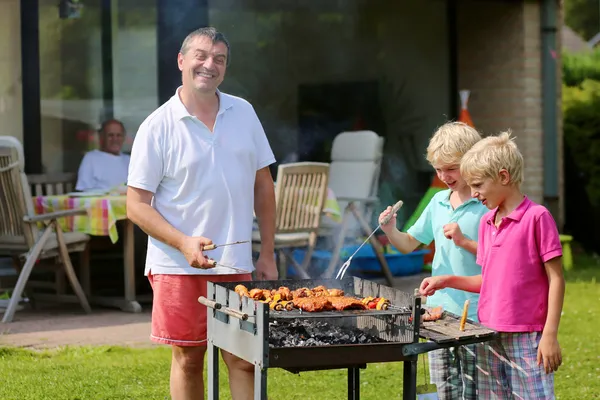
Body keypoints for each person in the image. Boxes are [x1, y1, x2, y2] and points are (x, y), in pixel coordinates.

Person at [126, 27, 277, 400]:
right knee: (190, 359)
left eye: (219, 59)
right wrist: (183, 242)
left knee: (243, 359)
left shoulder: (244, 112)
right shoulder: (157, 127)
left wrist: (268, 252)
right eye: (201, 55)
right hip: (177, 265)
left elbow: (263, 186)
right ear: (182, 61)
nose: (210, 65)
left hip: (235, 261)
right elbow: (135, 205)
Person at [419, 131, 565, 399]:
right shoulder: (487, 224)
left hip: (526, 336)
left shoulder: (537, 217)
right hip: (487, 333)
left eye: (478, 185)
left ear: (503, 177)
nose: (473, 194)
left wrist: (549, 335)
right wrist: (446, 280)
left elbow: (556, 279)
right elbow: (488, 280)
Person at [378, 121, 486, 400]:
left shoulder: (487, 204)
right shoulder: (438, 201)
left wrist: (465, 242)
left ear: (472, 161)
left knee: (475, 391)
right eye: (438, 169)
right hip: (439, 312)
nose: (443, 175)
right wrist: (391, 230)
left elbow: (499, 258)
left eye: (451, 168)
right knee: (442, 390)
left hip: (477, 315)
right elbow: (407, 244)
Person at [76, 119, 130, 191]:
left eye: (119, 135)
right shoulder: (91, 158)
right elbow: (83, 189)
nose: (115, 139)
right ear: (102, 137)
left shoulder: (129, 160)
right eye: (110, 135)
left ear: (123, 138)